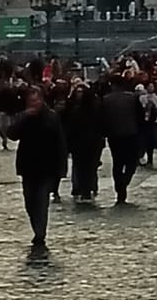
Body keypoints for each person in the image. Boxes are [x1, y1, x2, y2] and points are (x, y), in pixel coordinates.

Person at [13, 86, 67, 254]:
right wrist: (23, 118)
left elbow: (60, 143)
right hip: (28, 167)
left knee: (41, 201)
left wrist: (61, 169)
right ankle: (36, 226)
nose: (33, 104)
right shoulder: (24, 117)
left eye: (36, 100)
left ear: (42, 100)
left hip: (46, 167)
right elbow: (12, 133)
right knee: (29, 202)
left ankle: (40, 232)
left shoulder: (51, 117)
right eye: (30, 101)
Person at [99, 72, 145, 205]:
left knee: (118, 163)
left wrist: (105, 133)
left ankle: (120, 189)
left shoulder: (106, 99)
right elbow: (140, 117)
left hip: (114, 135)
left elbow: (103, 118)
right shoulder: (132, 98)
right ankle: (124, 182)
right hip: (131, 134)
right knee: (132, 161)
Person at [62, 80, 105, 203]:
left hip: (90, 142)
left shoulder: (93, 108)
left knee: (89, 166)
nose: (79, 94)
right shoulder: (72, 108)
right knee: (81, 167)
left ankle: (87, 189)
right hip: (79, 143)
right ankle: (81, 188)